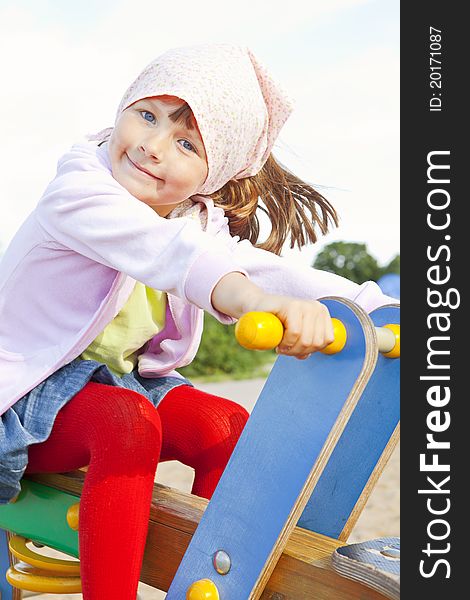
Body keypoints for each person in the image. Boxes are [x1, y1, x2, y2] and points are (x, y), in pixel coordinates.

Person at [0, 44, 396, 599]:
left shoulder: (193, 221)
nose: (153, 146)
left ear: (214, 174)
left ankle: (209, 585)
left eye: (187, 143)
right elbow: (168, 254)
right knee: (127, 422)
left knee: (226, 426)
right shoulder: (81, 189)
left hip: (117, 384)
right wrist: (250, 300)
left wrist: (372, 304)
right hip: (23, 398)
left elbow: (267, 268)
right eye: (147, 115)